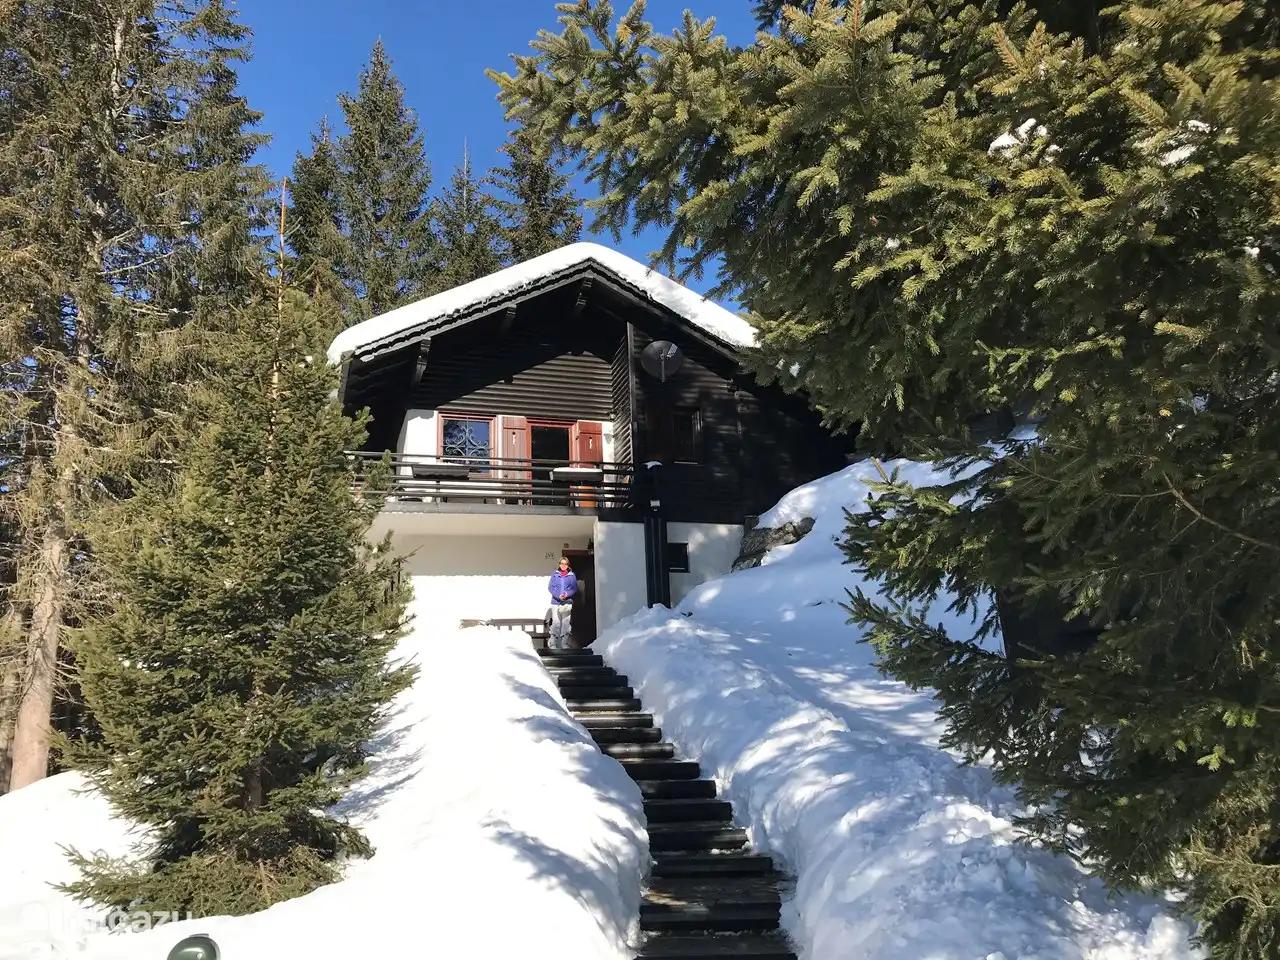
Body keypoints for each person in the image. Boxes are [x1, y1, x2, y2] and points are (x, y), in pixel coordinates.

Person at [547, 557, 578, 649]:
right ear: (559, 564)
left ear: (568, 565)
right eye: (561, 563)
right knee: (556, 622)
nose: (563, 565)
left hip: (567, 602)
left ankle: (565, 643)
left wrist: (566, 594)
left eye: (565, 564)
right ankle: (553, 643)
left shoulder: (572, 575)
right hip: (556, 602)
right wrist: (558, 595)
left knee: (566, 622)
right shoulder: (555, 574)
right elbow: (550, 587)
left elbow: (574, 588)